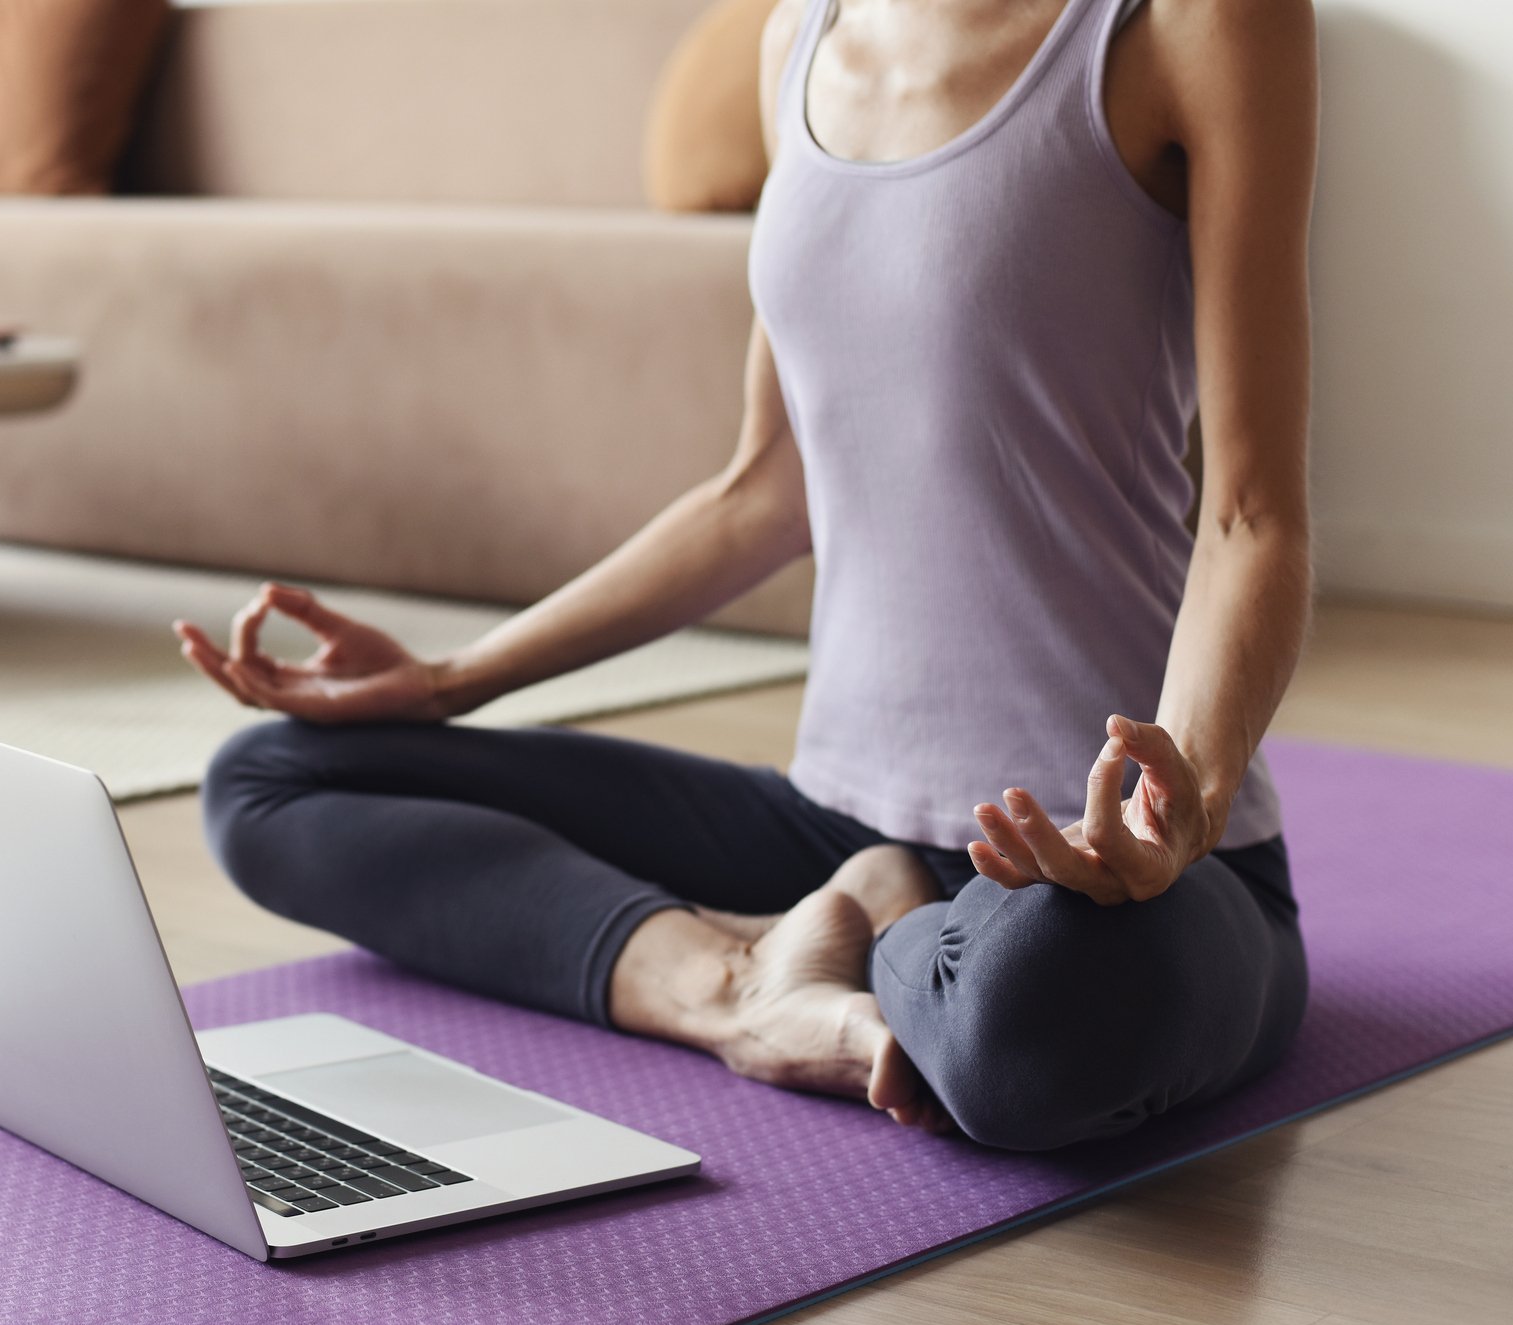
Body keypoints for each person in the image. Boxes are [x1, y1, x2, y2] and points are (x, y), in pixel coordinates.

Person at [173, 0, 1317, 1150]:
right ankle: (727, 985)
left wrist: (1182, 807)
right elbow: (766, 489)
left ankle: (884, 924)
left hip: (1112, 867)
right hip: (827, 824)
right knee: (271, 780)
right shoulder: (798, 40)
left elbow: (1249, 514)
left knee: (1028, 1029)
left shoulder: (1192, 24)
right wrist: (449, 680)